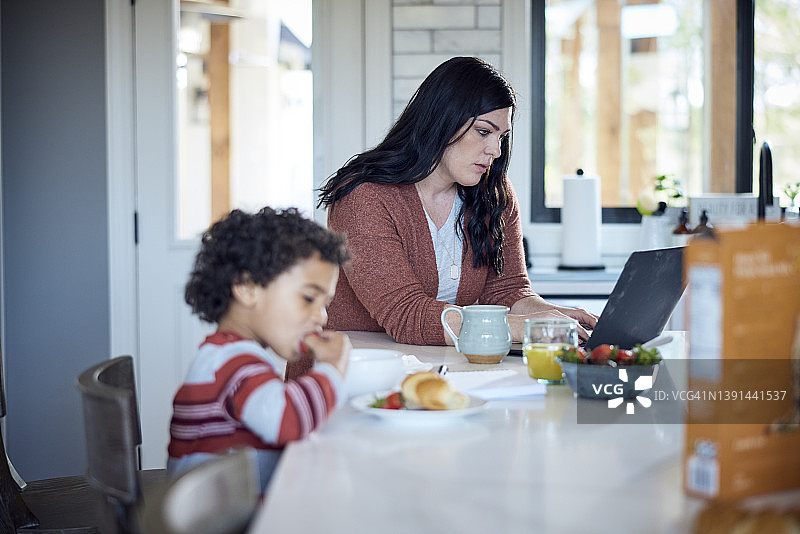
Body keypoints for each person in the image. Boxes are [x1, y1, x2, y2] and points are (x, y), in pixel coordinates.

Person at [317, 56, 597, 346]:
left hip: (428, 368)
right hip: (344, 373)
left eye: (502, 136)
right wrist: (526, 328)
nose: (496, 151)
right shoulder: (364, 197)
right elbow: (407, 316)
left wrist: (558, 317)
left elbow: (508, 291)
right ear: (443, 121)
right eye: (484, 131)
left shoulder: (494, 194)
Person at [167, 207, 351, 491]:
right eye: (308, 298)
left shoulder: (229, 354)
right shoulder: (234, 362)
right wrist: (331, 369)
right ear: (247, 287)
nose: (322, 317)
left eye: (325, 304)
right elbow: (287, 421)